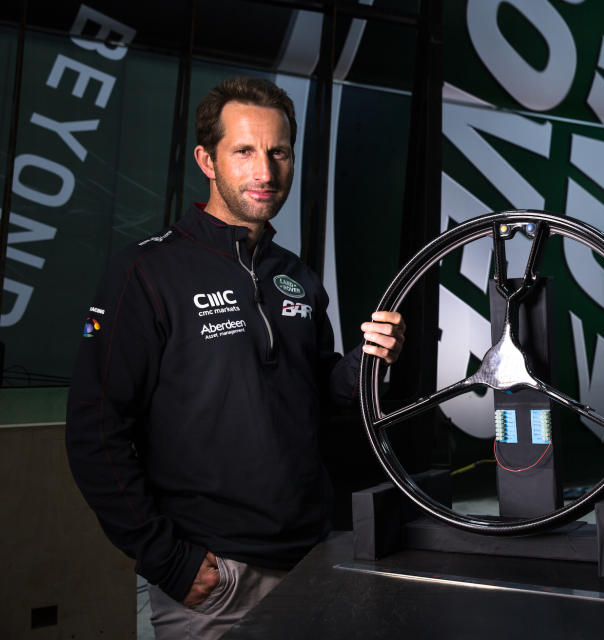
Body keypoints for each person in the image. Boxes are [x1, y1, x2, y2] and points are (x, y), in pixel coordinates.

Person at [65, 76, 405, 639]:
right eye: (244, 151)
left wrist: (369, 362)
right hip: (216, 583)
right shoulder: (145, 273)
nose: (265, 172)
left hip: (313, 560)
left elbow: (319, 395)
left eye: (279, 152)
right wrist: (169, 560)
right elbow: (94, 433)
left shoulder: (296, 275)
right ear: (207, 159)